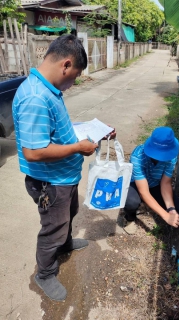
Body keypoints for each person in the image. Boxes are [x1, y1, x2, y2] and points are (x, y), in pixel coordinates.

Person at [12, 34, 115, 302]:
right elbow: (33, 152)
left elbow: (55, 131)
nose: (73, 84)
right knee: (52, 229)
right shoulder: (36, 97)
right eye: (75, 77)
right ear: (66, 65)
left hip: (64, 178)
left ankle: (66, 244)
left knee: (69, 214)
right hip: (50, 183)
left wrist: (93, 134)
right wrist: (78, 148)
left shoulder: (48, 89)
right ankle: (44, 273)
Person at [123, 126, 179, 235]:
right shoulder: (138, 156)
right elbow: (143, 191)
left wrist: (171, 209)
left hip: (156, 183)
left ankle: (160, 206)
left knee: (178, 209)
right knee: (131, 202)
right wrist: (166, 216)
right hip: (137, 184)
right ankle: (130, 219)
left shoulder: (171, 156)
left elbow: (165, 183)